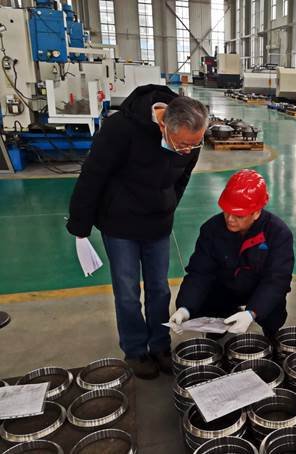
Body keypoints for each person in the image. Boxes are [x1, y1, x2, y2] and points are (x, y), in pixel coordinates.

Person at [66, 85, 208, 379]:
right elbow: (93, 176)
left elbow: (181, 178)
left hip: (158, 224)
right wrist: (80, 225)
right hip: (120, 224)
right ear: (164, 126)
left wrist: (168, 205)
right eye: (183, 144)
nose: (189, 151)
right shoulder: (120, 129)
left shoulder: (190, 141)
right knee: (128, 292)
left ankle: (160, 345)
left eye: (195, 144)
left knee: (159, 289)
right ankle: (135, 350)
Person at [169, 169, 294, 337]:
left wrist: (252, 312)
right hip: (226, 288)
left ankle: (270, 332)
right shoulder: (211, 229)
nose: (229, 219)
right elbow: (200, 273)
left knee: (273, 308)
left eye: (238, 215)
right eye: (226, 211)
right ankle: (218, 328)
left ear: (256, 212)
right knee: (205, 303)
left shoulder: (278, 233)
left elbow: (277, 279)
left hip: (259, 288)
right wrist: (185, 308)